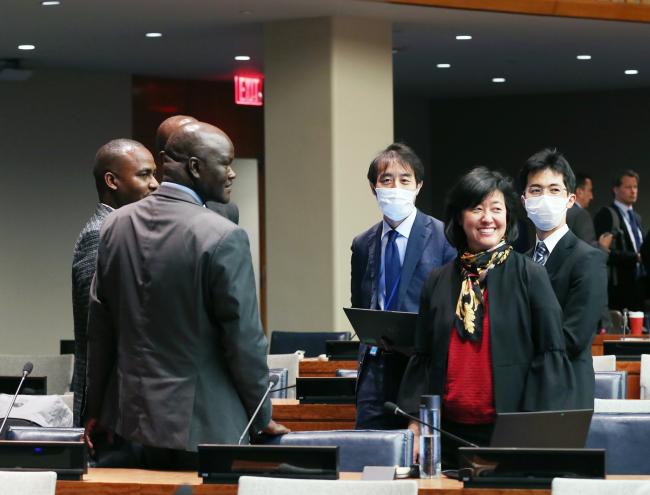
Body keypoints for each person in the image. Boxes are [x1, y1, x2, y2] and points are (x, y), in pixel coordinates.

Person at [85, 122, 287, 469]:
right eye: (225, 163)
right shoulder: (222, 236)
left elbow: (100, 331)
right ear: (195, 168)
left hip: (128, 421)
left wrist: (97, 409)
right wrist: (261, 412)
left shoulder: (115, 225)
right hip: (201, 424)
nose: (233, 174)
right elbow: (243, 339)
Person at [397, 167, 574, 467]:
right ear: (459, 218)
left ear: (508, 217)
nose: (487, 218)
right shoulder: (438, 280)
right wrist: (416, 422)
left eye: (496, 209)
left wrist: (531, 433)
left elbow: (550, 357)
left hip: (511, 436)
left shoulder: (530, 275)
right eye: (476, 209)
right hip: (446, 435)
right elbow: (423, 359)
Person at [351, 143, 456, 429]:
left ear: (418, 186)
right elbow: (361, 304)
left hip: (421, 366)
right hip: (375, 367)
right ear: (374, 187)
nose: (395, 186)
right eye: (386, 180)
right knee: (369, 453)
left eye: (404, 180)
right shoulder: (363, 244)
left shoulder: (444, 238)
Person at [71, 139, 158, 427]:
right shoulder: (99, 234)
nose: (155, 184)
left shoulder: (124, 229)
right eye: (144, 174)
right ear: (112, 181)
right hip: (105, 405)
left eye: (154, 174)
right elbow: (93, 326)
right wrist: (96, 407)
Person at [520, 150, 607, 409]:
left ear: (570, 199)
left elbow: (572, 338)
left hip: (565, 395)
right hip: (520, 394)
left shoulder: (588, 260)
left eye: (554, 190)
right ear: (524, 200)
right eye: (536, 190)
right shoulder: (518, 261)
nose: (545, 197)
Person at [155, 114, 239, 224]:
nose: (194, 139)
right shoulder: (142, 209)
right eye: (182, 137)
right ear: (164, 159)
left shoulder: (227, 209)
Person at [594, 170, 645, 311]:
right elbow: (603, 251)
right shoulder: (606, 214)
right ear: (615, 189)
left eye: (635, 187)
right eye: (628, 187)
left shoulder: (636, 217)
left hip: (639, 285)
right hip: (618, 287)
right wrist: (635, 258)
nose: (633, 191)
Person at [566, 173, 597, 244]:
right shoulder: (581, 214)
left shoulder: (559, 212)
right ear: (579, 192)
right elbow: (588, 250)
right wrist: (603, 246)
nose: (591, 197)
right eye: (589, 190)